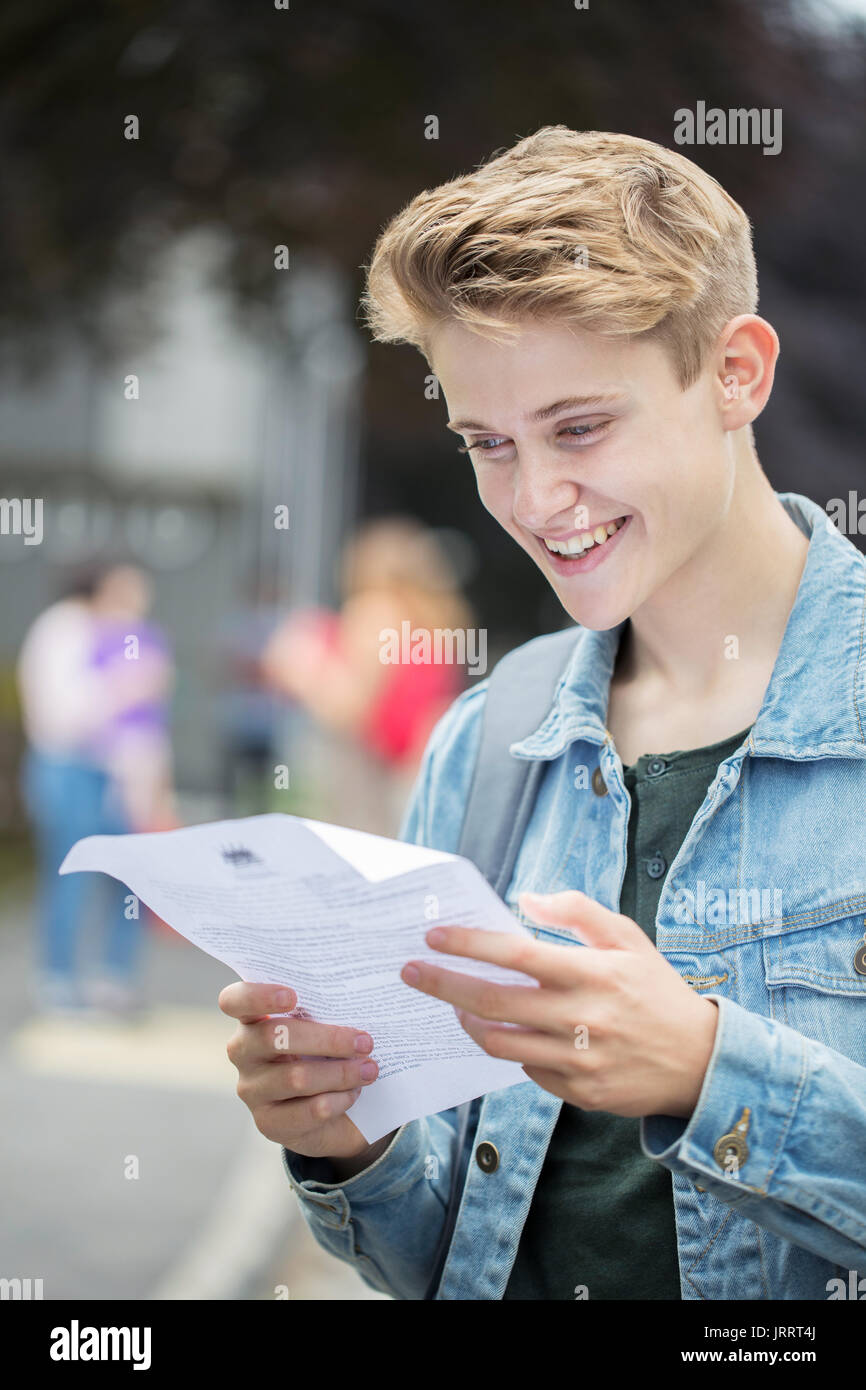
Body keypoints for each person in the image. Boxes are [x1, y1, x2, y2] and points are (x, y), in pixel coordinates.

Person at [219, 127, 866, 1299]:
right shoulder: (487, 739)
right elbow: (442, 1253)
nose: (533, 499)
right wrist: (343, 1137)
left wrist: (706, 1072)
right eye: (487, 444)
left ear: (736, 372)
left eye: (578, 429)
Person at [17, 563, 172, 1014]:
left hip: (123, 770)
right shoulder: (64, 629)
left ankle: (113, 978)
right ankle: (58, 978)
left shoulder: (133, 634)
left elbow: (149, 719)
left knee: (128, 877)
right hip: (70, 766)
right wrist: (124, 690)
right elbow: (61, 714)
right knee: (70, 874)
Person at [261, 517, 472, 834]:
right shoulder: (441, 618)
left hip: (372, 775)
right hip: (420, 768)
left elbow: (350, 708)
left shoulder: (375, 611)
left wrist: (301, 668)